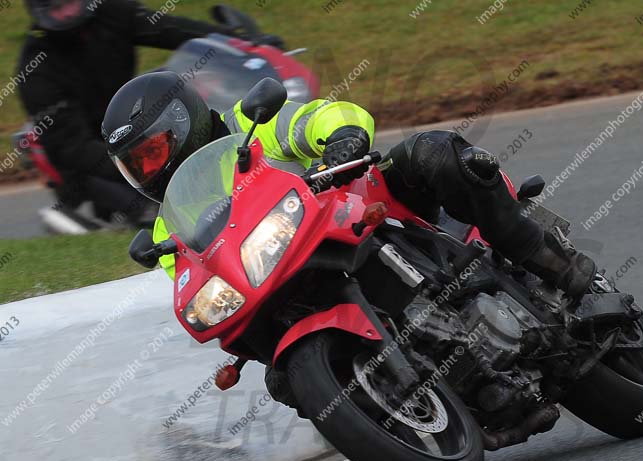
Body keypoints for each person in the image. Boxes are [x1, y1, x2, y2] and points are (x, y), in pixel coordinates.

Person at [102, 71, 597, 299]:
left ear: (185, 125)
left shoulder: (247, 126)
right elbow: (202, 279)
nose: (150, 169)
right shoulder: (171, 227)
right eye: (137, 165)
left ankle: (546, 257)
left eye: (153, 151)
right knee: (278, 379)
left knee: (433, 154)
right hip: (294, 277)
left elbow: (318, 117)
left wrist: (341, 138)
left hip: (361, 210)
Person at [18, 0, 283, 231]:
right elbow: (72, 148)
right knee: (163, 213)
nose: (67, 12)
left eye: (71, 2)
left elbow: (170, 29)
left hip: (131, 128)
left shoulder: (110, 11)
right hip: (86, 160)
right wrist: (140, 165)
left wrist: (236, 42)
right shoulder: (35, 69)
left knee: (190, 86)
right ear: (40, 12)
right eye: (57, 8)